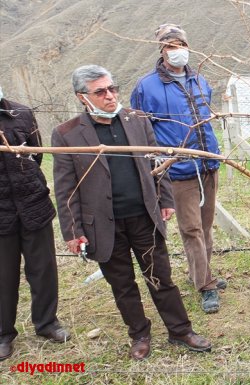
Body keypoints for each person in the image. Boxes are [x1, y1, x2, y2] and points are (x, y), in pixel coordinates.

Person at [53, 65, 211, 360]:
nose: (110, 96)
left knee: (160, 277)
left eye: (112, 89)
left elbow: (157, 164)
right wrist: (74, 232)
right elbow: (65, 189)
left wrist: (165, 200)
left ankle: (180, 330)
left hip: (143, 217)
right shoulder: (67, 134)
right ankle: (139, 335)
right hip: (102, 224)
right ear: (82, 97)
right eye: (100, 92)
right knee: (122, 284)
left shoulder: (137, 121)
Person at [130, 24, 225, 314]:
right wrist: (157, 160)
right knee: (191, 228)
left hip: (207, 162)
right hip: (179, 169)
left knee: (206, 226)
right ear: (161, 50)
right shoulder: (146, 87)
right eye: (170, 45)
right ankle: (205, 286)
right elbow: (140, 129)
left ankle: (201, 272)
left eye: (180, 43)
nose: (176, 49)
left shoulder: (200, 80)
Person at [0, 86, 70, 361]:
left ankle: (46, 323)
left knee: (43, 269)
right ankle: (4, 333)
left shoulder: (22, 112)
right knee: (3, 276)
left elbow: (37, 155)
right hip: (1, 212)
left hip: (33, 204)